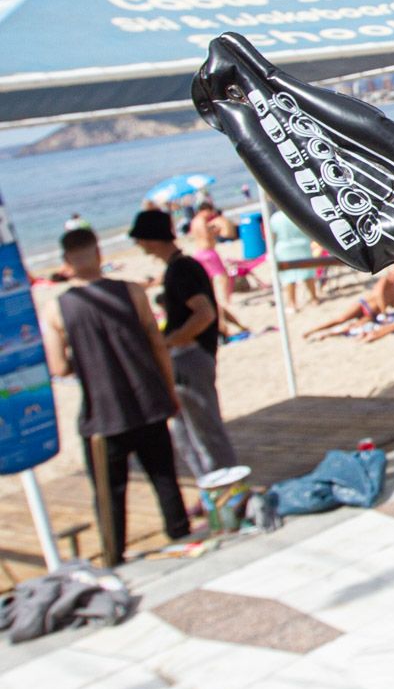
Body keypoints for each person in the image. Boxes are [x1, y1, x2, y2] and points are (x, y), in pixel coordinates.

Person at [43, 228, 192, 558]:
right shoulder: (131, 291)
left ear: (67, 262)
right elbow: (157, 343)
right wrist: (169, 390)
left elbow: (58, 367)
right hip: (148, 399)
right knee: (164, 477)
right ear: (99, 254)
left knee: (109, 493)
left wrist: (81, 354)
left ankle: (114, 554)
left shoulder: (57, 309)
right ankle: (180, 535)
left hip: (103, 413)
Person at [129, 209, 237, 487]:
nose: (139, 246)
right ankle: (211, 487)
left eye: (140, 240)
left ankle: (227, 490)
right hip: (189, 356)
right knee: (185, 430)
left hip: (189, 357)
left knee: (204, 428)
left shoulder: (181, 269)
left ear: (151, 240)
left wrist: (172, 339)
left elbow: (205, 313)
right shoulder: (179, 267)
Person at [186, 201, 248, 338]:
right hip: (208, 252)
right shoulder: (201, 221)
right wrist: (213, 231)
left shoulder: (194, 222)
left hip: (199, 253)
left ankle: (221, 301)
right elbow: (206, 236)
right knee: (222, 277)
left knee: (210, 282)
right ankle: (225, 300)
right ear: (206, 210)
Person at [303, 265, 394, 340]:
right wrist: (384, 312)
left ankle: (327, 334)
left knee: (353, 327)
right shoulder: (384, 281)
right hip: (364, 305)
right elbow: (379, 295)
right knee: (340, 319)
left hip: (372, 313)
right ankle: (312, 331)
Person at [268, 207, 320, 311]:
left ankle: (292, 302)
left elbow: (272, 237)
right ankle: (314, 298)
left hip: (284, 247)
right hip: (302, 244)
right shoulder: (298, 212)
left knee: (288, 277)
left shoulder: (275, 218)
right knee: (308, 273)